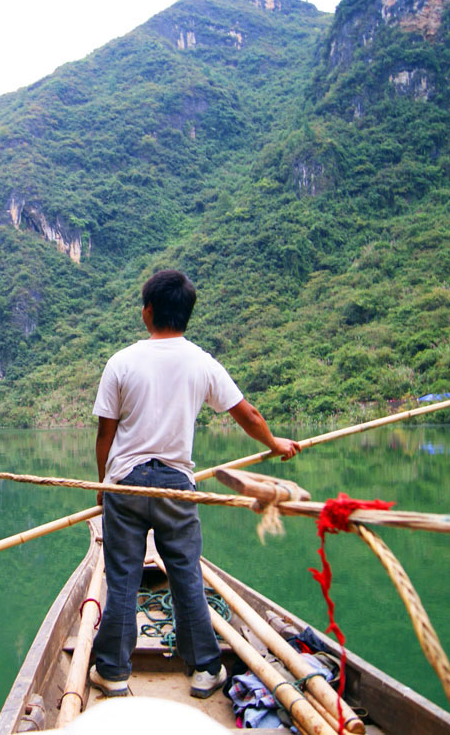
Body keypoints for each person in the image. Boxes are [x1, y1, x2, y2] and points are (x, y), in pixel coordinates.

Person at [89, 269, 301, 700]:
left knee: (123, 577)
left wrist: (103, 486)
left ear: (147, 312)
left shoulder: (122, 361)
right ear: (186, 314)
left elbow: (105, 436)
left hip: (126, 485)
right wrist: (275, 444)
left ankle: (112, 672)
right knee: (186, 576)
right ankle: (205, 669)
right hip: (177, 486)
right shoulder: (201, 361)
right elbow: (249, 415)